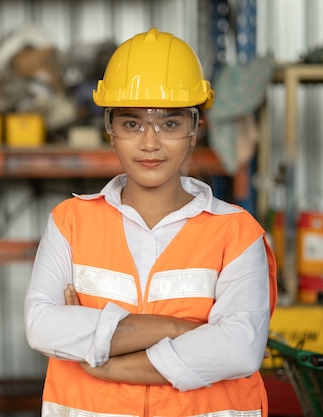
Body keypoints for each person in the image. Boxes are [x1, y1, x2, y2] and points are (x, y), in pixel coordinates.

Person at [24, 27, 277, 417]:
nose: (149, 143)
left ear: (195, 130)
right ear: (110, 130)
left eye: (170, 124)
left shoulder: (236, 232)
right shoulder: (69, 222)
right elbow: (42, 326)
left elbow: (239, 349)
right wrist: (179, 330)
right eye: (131, 124)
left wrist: (108, 360)